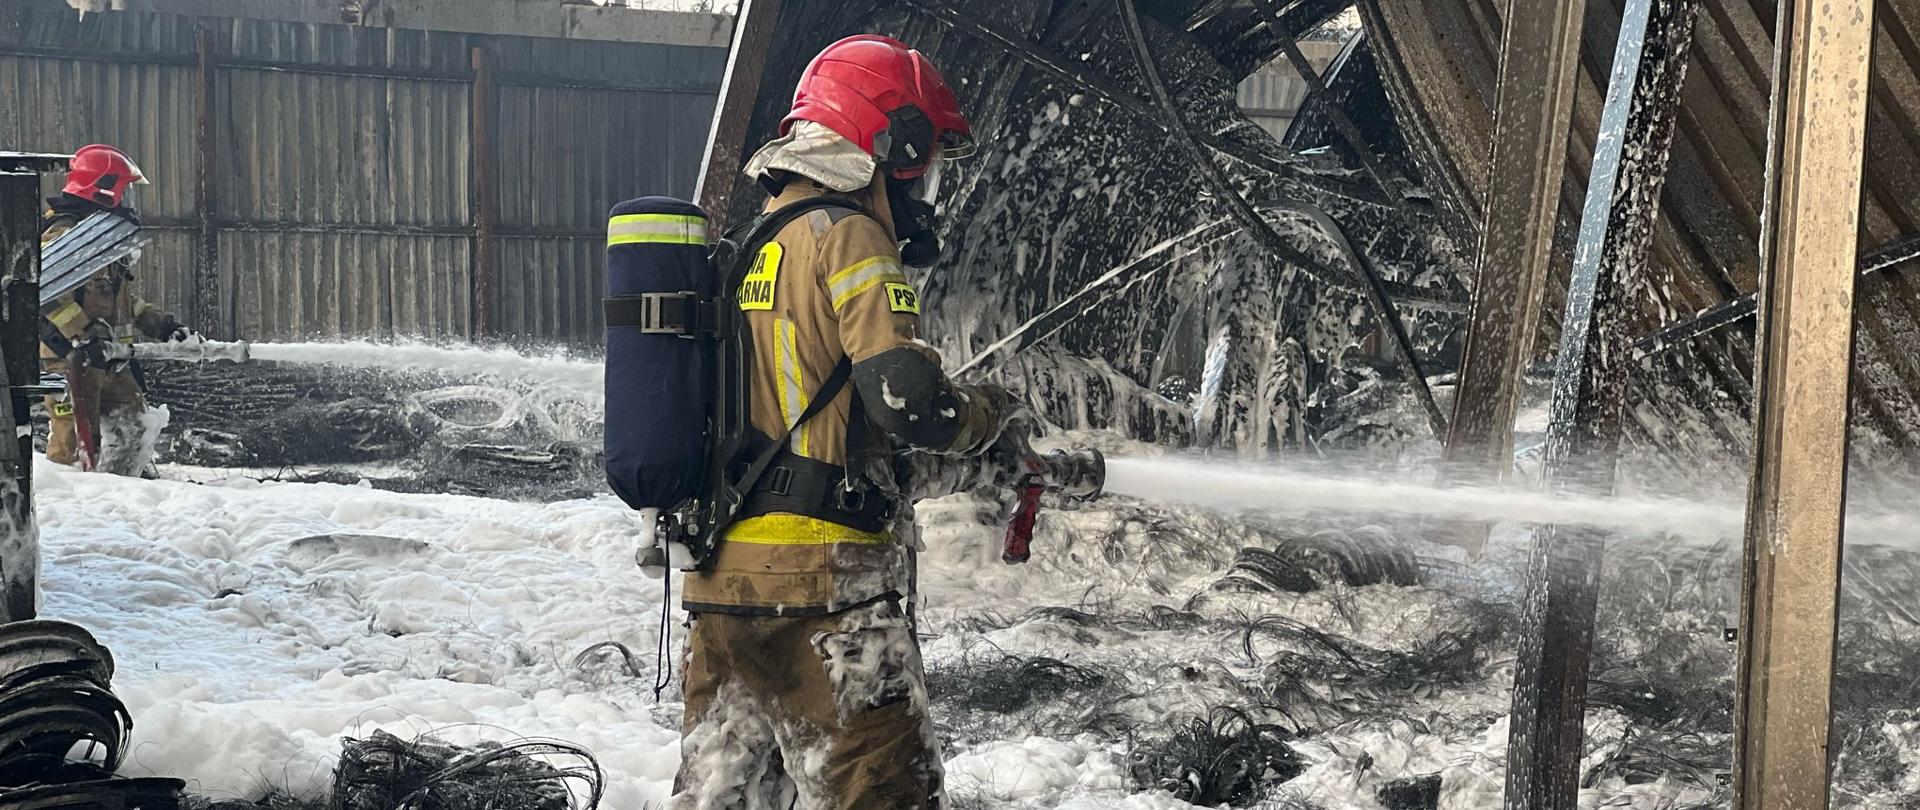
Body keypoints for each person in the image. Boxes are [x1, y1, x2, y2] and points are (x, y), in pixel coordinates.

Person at [670, 35, 1016, 810]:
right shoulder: (847, 233)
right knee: (883, 793)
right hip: (828, 602)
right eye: (920, 164)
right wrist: (989, 416)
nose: (921, 187)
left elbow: (814, 422)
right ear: (890, 141)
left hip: (724, 596)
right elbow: (908, 402)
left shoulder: (748, 243)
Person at [40, 144, 191, 475]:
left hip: (107, 357)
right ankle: (72, 508)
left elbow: (120, 301)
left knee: (136, 423)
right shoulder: (63, 235)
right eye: (124, 190)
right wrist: (83, 333)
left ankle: (125, 491)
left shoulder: (99, 235)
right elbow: (44, 296)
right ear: (103, 189)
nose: (127, 201)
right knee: (77, 446)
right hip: (71, 359)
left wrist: (164, 326)